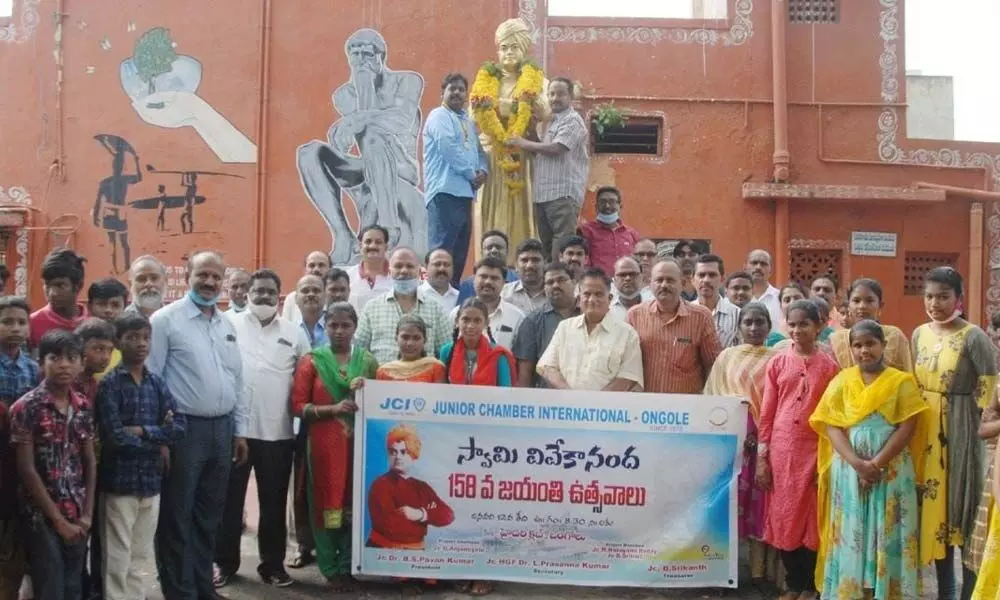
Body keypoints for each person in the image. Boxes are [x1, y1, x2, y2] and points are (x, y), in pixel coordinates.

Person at [149, 250, 249, 600]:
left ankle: (203, 587)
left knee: (210, 514)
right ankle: (179, 591)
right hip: (182, 431)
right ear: (188, 275)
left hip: (222, 431)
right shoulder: (165, 320)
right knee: (177, 514)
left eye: (215, 277)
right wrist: (160, 437)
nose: (209, 282)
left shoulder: (226, 324)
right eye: (202, 275)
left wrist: (238, 431)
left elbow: (237, 380)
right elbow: (153, 379)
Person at [810, 319, 926, 600]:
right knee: (853, 530)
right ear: (851, 349)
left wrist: (876, 464)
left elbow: (908, 427)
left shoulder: (902, 381)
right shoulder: (843, 380)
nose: (865, 350)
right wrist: (857, 464)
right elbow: (830, 425)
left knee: (887, 529)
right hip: (849, 470)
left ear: (884, 345)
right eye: (858, 345)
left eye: (871, 343)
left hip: (892, 469)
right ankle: (852, 591)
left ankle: (887, 591)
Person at [215, 269, 311, 588]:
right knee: (230, 500)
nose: (263, 296)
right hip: (236, 431)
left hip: (278, 432)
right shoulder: (228, 325)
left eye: (270, 291)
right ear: (247, 294)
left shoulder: (294, 333)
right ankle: (225, 563)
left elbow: (307, 376)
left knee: (273, 503)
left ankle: (272, 566)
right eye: (258, 291)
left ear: (279, 295)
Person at [912, 267, 997, 600]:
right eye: (930, 296)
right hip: (925, 432)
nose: (936, 303)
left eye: (944, 296)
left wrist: (983, 429)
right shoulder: (919, 334)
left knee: (964, 509)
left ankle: (970, 592)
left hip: (962, 430)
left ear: (958, 299)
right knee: (936, 516)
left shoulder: (974, 336)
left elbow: (990, 388)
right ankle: (945, 592)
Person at [290, 302, 378, 591]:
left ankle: (348, 564)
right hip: (324, 449)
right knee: (326, 503)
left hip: (360, 447)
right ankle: (329, 566)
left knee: (354, 502)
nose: (339, 331)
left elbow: (381, 399)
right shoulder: (312, 361)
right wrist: (333, 409)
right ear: (325, 327)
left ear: (355, 327)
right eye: (333, 325)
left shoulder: (367, 361)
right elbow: (297, 406)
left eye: (345, 325)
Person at [97, 312, 185, 600]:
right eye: (132, 337)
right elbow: (115, 437)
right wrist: (158, 436)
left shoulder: (156, 383)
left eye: (146, 337)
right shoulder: (110, 384)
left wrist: (144, 432)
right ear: (118, 342)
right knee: (117, 557)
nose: (141, 344)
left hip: (151, 482)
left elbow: (179, 428)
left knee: (140, 556)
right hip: (119, 483)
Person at [756, 299, 839, 600]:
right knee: (784, 517)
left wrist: (828, 459)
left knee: (812, 519)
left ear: (819, 326)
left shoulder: (830, 367)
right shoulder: (777, 363)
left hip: (816, 450)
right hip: (781, 452)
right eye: (792, 324)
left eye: (804, 324)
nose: (797, 330)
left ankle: (811, 586)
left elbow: (834, 417)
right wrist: (762, 459)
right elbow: (767, 413)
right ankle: (793, 583)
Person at [11, 330, 96, 600]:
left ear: (82, 363)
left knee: (73, 585)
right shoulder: (27, 407)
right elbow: (26, 469)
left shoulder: (82, 405)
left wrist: (87, 514)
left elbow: (89, 459)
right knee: (50, 585)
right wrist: (58, 521)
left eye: (71, 358)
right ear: (40, 361)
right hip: (41, 515)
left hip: (78, 509)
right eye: (54, 357)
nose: (63, 364)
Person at [703, 302, 781, 591]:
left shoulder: (777, 359)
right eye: (747, 322)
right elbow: (713, 396)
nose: (753, 327)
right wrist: (733, 431)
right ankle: (724, 571)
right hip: (730, 443)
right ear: (738, 328)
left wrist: (761, 438)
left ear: (769, 327)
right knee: (729, 505)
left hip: (763, 444)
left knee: (761, 506)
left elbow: (779, 402)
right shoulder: (727, 357)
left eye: (759, 322)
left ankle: (760, 575)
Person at [507, 77, 588, 262]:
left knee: (562, 247)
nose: (555, 98)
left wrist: (522, 142)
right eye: (551, 94)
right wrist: (532, 131)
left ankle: (561, 283)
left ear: (570, 96)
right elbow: (541, 152)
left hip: (562, 194)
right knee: (547, 248)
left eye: (561, 94)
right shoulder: (550, 121)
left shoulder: (572, 120)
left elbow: (556, 148)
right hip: (543, 194)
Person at [423, 72, 488, 287]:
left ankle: (453, 295)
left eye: (461, 89)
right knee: (442, 251)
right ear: (443, 93)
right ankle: (435, 294)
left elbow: (480, 152)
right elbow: (447, 147)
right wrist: (472, 174)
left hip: (464, 194)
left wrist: (483, 172)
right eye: (452, 89)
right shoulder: (439, 116)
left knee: (460, 252)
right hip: (444, 193)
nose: (457, 93)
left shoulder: (467, 122)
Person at [536, 268, 643, 391]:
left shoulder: (627, 334)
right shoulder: (564, 328)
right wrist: (568, 394)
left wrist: (592, 404)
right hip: (567, 406)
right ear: (579, 298)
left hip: (607, 408)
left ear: (610, 298)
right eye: (587, 294)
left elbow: (628, 377)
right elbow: (547, 366)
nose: (592, 300)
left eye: (598, 294)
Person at [627, 258, 721, 394]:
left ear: (682, 283)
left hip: (687, 409)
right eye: (659, 280)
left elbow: (713, 365)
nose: (664, 285)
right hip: (645, 408)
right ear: (650, 284)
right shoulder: (634, 316)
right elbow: (626, 366)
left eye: (670, 280)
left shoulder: (701, 317)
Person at [0, 297, 37, 600]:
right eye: (7, 322)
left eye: (21, 322)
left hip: (22, 456)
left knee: (15, 527)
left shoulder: (33, 368)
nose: (15, 328)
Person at [355, 247, 451, 365]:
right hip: (381, 381)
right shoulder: (372, 308)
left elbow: (447, 354)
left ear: (419, 271)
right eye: (398, 266)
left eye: (410, 266)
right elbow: (359, 352)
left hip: (423, 381)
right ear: (390, 271)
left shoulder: (436, 309)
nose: (404, 271)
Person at [365, 425, 455, 549]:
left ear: (414, 455)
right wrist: (429, 517)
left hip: (417, 554)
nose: (397, 457)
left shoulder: (422, 487)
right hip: (383, 552)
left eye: (403, 452)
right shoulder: (380, 485)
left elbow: (448, 515)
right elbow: (390, 528)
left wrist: (420, 514)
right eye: (393, 452)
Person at [512, 262, 579, 388]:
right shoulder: (532, 322)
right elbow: (525, 373)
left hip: (588, 397)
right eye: (550, 282)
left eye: (561, 280)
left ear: (574, 282)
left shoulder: (588, 314)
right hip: (546, 401)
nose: (555, 285)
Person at [829, 279, 913, 371]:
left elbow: (906, 373)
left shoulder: (894, 336)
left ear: (880, 306)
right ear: (848, 306)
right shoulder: (837, 340)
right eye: (856, 301)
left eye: (869, 301)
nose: (862, 306)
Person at [449, 258, 525, 350]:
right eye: (483, 276)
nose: (488, 282)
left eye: (494, 278)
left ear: (504, 283)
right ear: (473, 280)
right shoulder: (456, 313)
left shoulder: (517, 317)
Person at [441, 297, 517, 387]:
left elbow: (506, 393)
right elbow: (440, 389)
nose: (470, 326)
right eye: (466, 319)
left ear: (486, 323)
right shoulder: (446, 351)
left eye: (477, 321)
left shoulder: (498, 354)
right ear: (457, 321)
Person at [30, 248, 90, 348]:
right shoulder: (32, 323)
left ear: (78, 286)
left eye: (60, 285)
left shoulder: (92, 322)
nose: (52, 293)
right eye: (47, 285)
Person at [578, 186, 640, 276]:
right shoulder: (586, 231)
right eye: (603, 202)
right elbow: (583, 260)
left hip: (626, 283)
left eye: (612, 202)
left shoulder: (631, 234)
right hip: (599, 284)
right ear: (596, 207)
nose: (607, 206)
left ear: (620, 207)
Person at [376, 316, 447, 383]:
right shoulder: (384, 371)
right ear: (396, 339)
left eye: (416, 338)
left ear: (425, 340)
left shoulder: (435, 368)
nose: (410, 343)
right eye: (405, 337)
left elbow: (439, 395)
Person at [456, 230, 519, 305]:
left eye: (499, 247)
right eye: (489, 247)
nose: (494, 250)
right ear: (482, 252)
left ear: (507, 252)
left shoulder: (517, 280)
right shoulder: (468, 284)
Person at [692, 254, 740, 348]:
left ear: (722, 279)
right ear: (693, 280)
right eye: (701, 275)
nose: (706, 280)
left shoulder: (738, 315)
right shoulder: (684, 314)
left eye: (712, 275)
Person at [346, 226, 393, 312]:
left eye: (378, 242)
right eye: (368, 241)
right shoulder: (348, 277)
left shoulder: (396, 277)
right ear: (360, 246)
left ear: (386, 247)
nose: (372, 246)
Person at [281, 251, 333, 325]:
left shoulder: (337, 296)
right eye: (312, 265)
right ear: (305, 270)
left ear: (330, 269)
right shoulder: (292, 299)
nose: (316, 269)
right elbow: (285, 330)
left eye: (321, 265)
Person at [501, 238, 547, 314]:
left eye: (535, 260)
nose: (530, 265)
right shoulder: (504, 294)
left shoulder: (555, 292)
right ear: (516, 266)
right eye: (524, 260)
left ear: (545, 264)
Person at [745, 249, 781, 332]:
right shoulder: (737, 298)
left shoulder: (781, 298)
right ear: (745, 267)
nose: (758, 267)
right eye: (754, 263)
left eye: (763, 264)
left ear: (771, 271)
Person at [765, 282, 808, 347]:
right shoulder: (773, 337)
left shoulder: (818, 329)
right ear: (781, 306)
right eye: (787, 300)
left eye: (797, 298)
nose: (792, 302)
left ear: (807, 301)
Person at [420, 249, 459, 313]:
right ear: (426, 267)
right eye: (437, 264)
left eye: (446, 264)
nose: (442, 268)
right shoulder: (416, 296)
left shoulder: (459, 297)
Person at [294, 275, 327, 349]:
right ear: (296, 298)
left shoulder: (338, 328)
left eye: (316, 290)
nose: (311, 294)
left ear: (325, 297)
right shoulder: (290, 330)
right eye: (305, 291)